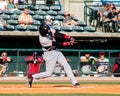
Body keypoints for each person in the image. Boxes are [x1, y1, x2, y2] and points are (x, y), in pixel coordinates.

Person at [26, 23, 80, 88]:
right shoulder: (43, 40)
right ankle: (32, 77)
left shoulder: (47, 29)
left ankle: (75, 82)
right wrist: (69, 43)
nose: (49, 31)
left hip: (56, 51)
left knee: (66, 65)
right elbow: (56, 43)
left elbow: (57, 34)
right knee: (48, 73)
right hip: (49, 54)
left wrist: (69, 37)